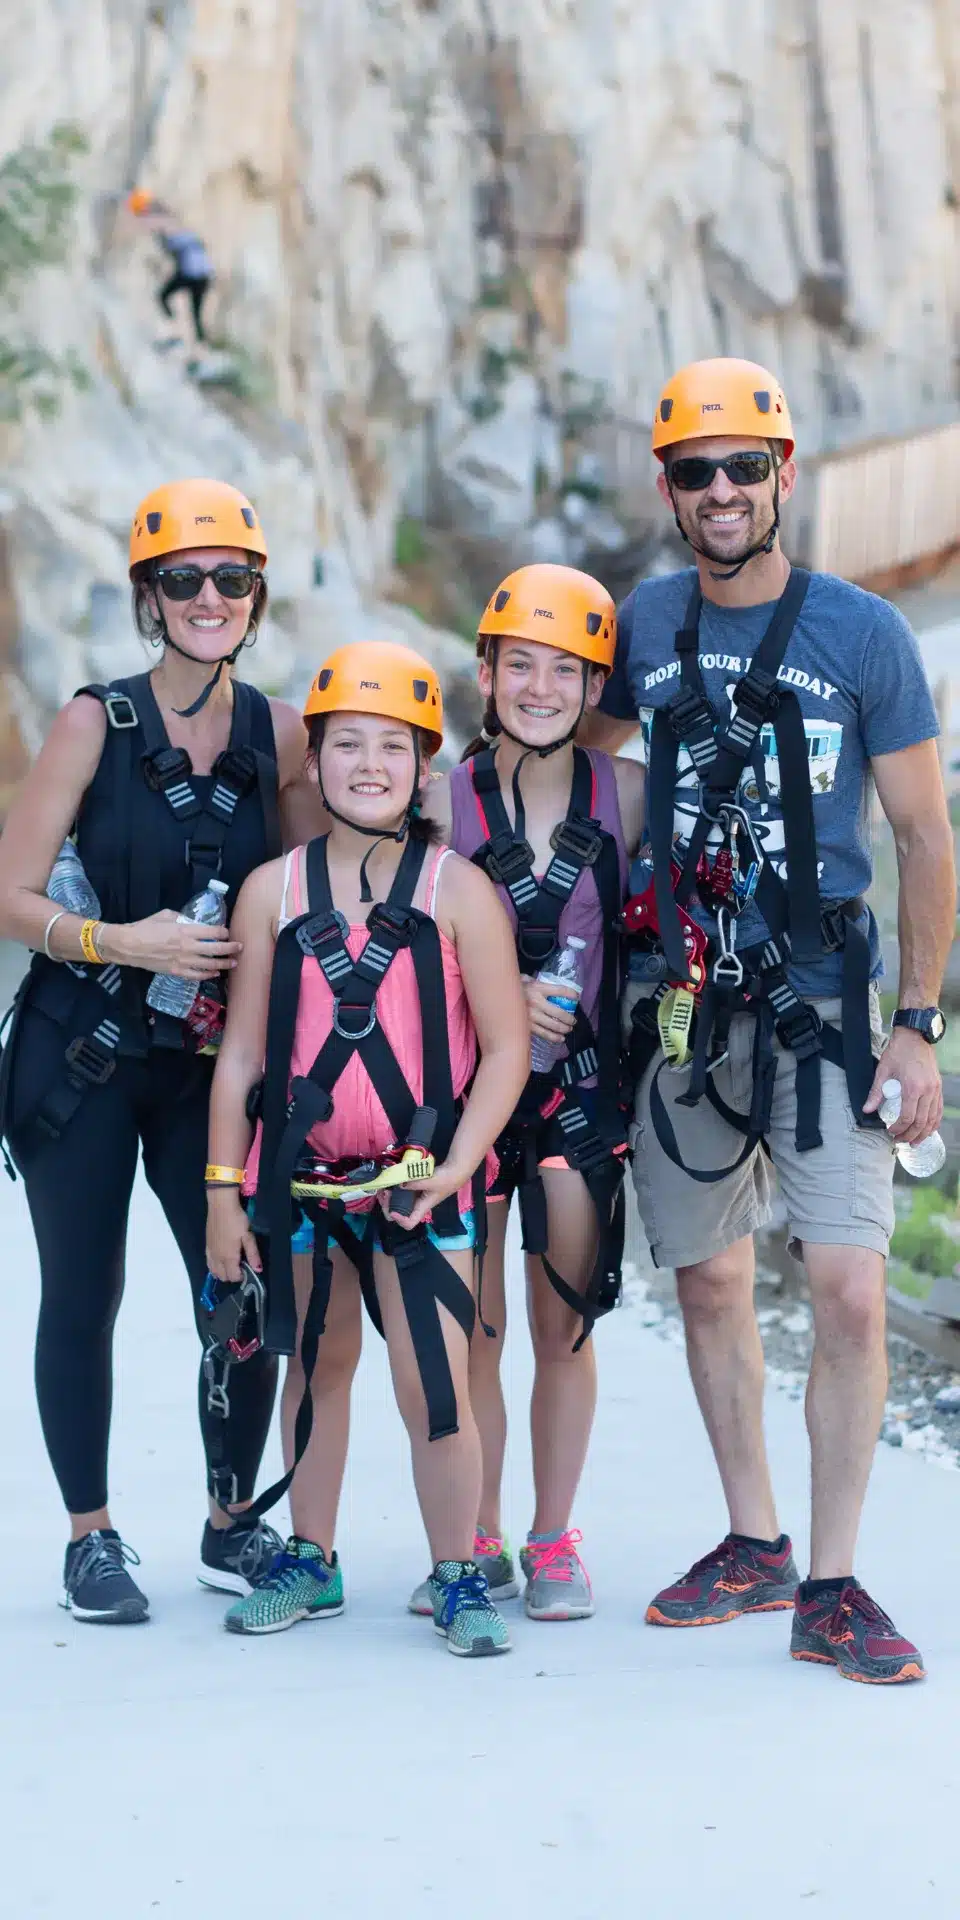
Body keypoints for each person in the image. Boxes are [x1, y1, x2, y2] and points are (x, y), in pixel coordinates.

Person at [579, 356, 955, 1683]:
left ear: (784, 476)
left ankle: (836, 1581)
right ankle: (755, 1543)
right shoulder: (642, 624)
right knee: (709, 1279)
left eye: (746, 467)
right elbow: (585, 793)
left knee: (848, 1288)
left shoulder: (863, 636)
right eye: (698, 471)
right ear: (670, 491)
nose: (724, 490)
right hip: (685, 1002)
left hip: (827, 1007)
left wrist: (919, 1027)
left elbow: (922, 833)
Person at [0, 477, 325, 1624]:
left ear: (255, 597)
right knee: (82, 1292)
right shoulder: (95, 720)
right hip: (79, 1048)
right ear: (150, 596)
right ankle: (90, 1537)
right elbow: (8, 891)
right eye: (181, 580)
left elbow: (325, 883)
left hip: (206, 1064)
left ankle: (232, 1523)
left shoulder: (282, 734)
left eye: (228, 580)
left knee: (239, 1288)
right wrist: (118, 940)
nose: (206, 598)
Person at [205, 639, 530, 1655]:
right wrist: (224, 1190)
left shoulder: (460, 893)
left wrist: (461, 1164)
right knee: (316, 1367)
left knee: (435, 1383)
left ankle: (458, 1572)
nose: (371, 765)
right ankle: (311, 1557)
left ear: (423, 768)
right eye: (348, 743)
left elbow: (508, 1049)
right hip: (296, 1181)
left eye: (394, 747)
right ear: (315, 759)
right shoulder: (272, 892)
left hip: (421, 1182)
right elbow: (243, 1054)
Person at [407, 565, 644, 1621]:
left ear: (594, 685)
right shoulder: (435, 801)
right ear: (486, 672)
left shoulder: (628, 796)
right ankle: (480, 1534)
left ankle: (554, 1537)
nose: (540, 688)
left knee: (565, 1328)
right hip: (466, 1097)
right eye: (521, 666)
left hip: (582, 1097)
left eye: (565, 670)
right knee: (477, 1333)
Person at [128, 190, 214, 347]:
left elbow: (170, 245)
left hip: (191, 272)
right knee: (195, 315)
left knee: (163, 297)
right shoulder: (171, 220)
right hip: (203, 274)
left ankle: (176, 334)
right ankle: (200, 348)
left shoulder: (159, 220)